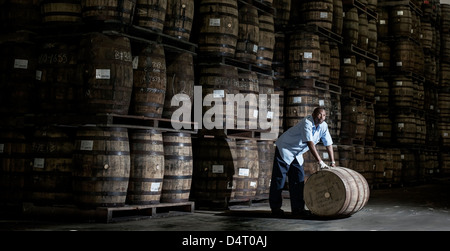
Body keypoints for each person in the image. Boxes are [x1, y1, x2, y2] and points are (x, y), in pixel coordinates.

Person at [269, 106, 336, 217]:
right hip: (285, 148)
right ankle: (275, 209)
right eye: (319, 114)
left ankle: (298, 209)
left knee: (298, 180)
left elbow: (328, 143)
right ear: (313, 114)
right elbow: (310, 143)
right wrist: (320, 162)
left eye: (324, 115)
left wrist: (332, 161)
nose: (321, 117)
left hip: (297, 153)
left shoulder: (323, 126)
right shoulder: (307, 123)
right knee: (279, 179)